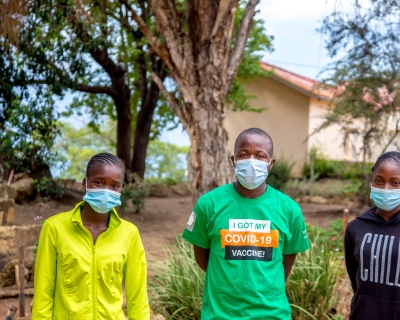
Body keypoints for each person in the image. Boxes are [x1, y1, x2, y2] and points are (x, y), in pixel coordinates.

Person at [182, 128, 310, 319]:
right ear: (233, 160)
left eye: (260, 156)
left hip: (272, 314)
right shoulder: (208, 204)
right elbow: (202, 258)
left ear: (270, 163)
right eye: (244, 154)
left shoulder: (289, 209)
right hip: (220, 314)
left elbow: (288, 259)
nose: (251, 161)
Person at [31, 153, 150, 320]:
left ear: (121, 188)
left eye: (115, 186)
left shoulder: (129, 234)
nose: (106, 191)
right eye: (99, 182)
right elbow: (44, 291)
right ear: (85, 183)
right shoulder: (55, 228)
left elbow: (138, 295)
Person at [345, 151, 400, 319]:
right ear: (372, 180)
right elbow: (355, 280)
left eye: (395, 183)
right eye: (379, 181)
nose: (385, 189)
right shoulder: (356, 227)